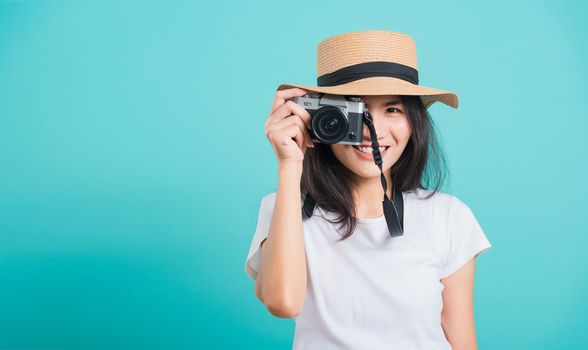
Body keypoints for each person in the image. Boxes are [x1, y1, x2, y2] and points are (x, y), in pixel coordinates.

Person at [244, 30, 492, 350]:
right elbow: (284, 303)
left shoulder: (447, 216)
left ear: (414, 122)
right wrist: (290, 165)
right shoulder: (283, 207)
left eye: (392, 109)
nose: (370, 131)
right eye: (354, 110)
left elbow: (462, 341)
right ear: (319, 117)